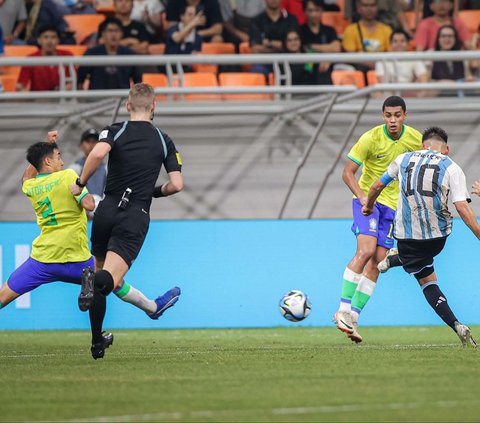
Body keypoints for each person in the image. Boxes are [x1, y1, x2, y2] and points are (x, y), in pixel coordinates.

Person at [1, 131, 183, 358]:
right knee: (111, 281)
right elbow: (88, 204)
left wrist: (46, 146)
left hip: (43, 260)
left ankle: (143, 312)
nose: (62, 160)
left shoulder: (31, 187)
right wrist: (94, 200)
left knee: (3, 296)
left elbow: (26, 178)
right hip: (77, 258)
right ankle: (148, 311)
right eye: (58, 156)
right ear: (48, 161)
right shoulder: (67, 176)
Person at [70, 83, 184, 359]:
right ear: (154, 106)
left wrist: (80, 182)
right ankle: (96, 285)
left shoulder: (114, 128)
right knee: (105, 280)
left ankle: (98, 342)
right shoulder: (162, 139)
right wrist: (155, 191)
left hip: (106, 209)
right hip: (135, 214)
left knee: (101, 275)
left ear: (128, 106)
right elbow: (177, 185)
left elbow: (97, 153)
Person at [362, 126, 480, 347]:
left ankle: (394, 259)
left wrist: (368, 206)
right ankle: (457, 325)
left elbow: (377, 185)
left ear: (422, 146)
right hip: (437, 240)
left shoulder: (403, 159)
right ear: (446, 149)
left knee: (422, 276)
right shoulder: (451, 167)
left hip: (406, 237)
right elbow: (462, 207)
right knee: (426, 275)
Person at [333, 95, 422, 343]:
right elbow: (347, 172)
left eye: (397, 115)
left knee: (378, 262)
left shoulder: (415, 139)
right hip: (369, 202)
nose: (392, 120)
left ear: (405, 115)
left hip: (395, 208)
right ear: (383, 116)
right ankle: (341, 309)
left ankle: (352, 317)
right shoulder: (370, 138)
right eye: (388, 115)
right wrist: (362, 197)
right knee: (366, 251)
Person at [77, 17, 143, 90]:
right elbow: (80, 78)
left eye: (117, 31)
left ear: (122, 33)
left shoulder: (129, 54)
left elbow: (138, 81)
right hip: (96, 99)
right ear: (103, 34)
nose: (113, 34)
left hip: (122, 99)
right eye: (110, 31)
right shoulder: (92, 53)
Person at [16, 25, 73, 91]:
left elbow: (72, 83)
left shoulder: (67, 56)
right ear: (39, 40)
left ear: (58, 40)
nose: (49, 41)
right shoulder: (30, 59)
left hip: (62, 99)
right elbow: (20, 86)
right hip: (38, 99)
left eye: (53, 37)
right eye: (46, 37)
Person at [299, 0, 341, 85]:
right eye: (310, 10)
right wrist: (327, 49)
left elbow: (336, 48)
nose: (314, 14)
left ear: (322, 10)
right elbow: (303, 49)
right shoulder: (300, 31)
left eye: (317, 10)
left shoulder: (329, 30)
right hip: (307, 67)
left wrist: (313, 47)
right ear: (304, 12)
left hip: (326, 68)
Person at [69, 128, 107, 217]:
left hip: (102, 215)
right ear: (81, 145)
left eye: (94, 141)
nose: (91, 145)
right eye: (88, 141)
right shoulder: (74, 168)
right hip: (80, 214)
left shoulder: (107, 168)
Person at [430, 24, 474, 95]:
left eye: (450, 36)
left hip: (459, 94)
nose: (447, 39)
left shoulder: (462, 55)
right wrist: (450, 83)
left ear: (455, 39)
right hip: (438, 95)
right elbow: (427, 82)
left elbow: (468, 77)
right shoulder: (430, 55)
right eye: (443, 36)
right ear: (438, 39)